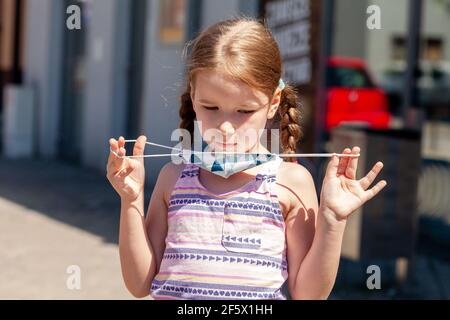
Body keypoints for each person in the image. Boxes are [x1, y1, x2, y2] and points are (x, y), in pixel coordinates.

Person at [106, 18, 387, 300]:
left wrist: (333, 220)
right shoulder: (174, 177)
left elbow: (309, 295)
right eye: (211, 107)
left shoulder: (291, 183)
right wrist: (131, 202)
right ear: (193, 96)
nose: (226, 127)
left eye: (243, 111)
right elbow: (139, 284)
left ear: (273, 103)